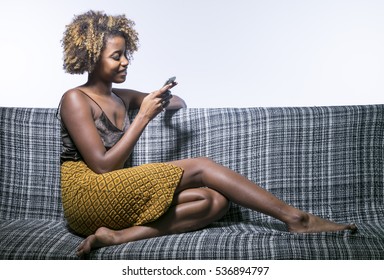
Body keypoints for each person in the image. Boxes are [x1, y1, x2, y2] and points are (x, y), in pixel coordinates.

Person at [59, 10, 357, 257]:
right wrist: (145, 116)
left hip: (113, 194)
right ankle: (297, 219)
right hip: (85, 194)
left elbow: (179, 102)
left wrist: (162, 98)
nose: (125, 62)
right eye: (116, 56)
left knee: (214, 201)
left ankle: (116, 237)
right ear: (92, 57)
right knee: (201, 166)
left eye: (126, 54)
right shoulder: (75, 98)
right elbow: (102, 166)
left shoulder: (121, 97)